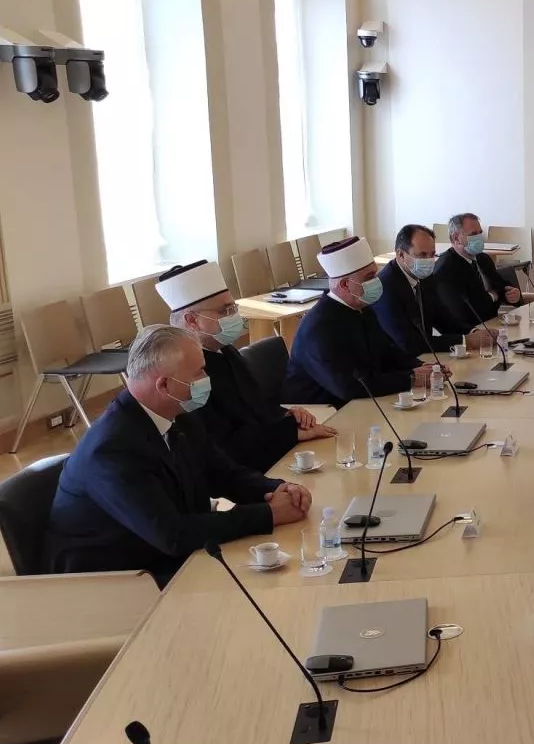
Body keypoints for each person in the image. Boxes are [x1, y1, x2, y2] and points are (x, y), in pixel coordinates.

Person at [45, 325, 311, 586]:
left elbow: (222, 473)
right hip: (118, 580)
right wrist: (268, 514)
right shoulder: (112, 449)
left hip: (169, 556)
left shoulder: (178, 413)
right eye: (199, 373)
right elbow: (172, 534)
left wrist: (275, 489)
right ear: (164, 385)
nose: (207, 378)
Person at [158, 260, 335, 472]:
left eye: (234, 307)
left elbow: (254, 407)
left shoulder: (226, 351)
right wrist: (289, 431)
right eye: (225, 311)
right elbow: (226, 445)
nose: (235, 316)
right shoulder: (187, 376)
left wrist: (288, 415)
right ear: (192, 320)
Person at [281, 236, 435, 407]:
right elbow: (349, 386)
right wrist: (411, 378)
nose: (377, 281)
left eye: (375, 274)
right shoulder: (318, 327)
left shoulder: (362, 309)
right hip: (322, 412)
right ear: (345, 284)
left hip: (360, 402)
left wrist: (425, 367)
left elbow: (387, 353)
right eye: (369, 277)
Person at [372, 224, 489, 359]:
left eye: (432, 254)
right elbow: (408, 342)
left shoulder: (425, 276)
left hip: (426, 355)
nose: (429, 260)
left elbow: (442, 317)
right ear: (401, 255)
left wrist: (473, 332)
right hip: (397, 362)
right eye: (422, 254)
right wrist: (464, 341)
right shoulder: (384, 288)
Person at [432, 212, 522, 334]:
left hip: (493, 325)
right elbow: (463, 311)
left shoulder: (483, 258)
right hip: (470, 333)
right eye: (473, 234)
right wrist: (493, 296)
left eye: (480, 232)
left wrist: (513, 295)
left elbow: (500, 286)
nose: (479, 237)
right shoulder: (445, 269)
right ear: (455, 238)